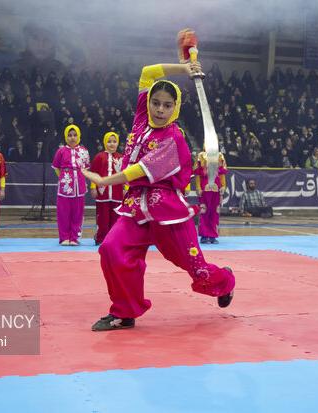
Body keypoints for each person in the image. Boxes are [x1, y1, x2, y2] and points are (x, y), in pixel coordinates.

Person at [81, 59, 235, 331]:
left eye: (167, 105)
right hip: (135, 209)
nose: (160, 109)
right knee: (111, 249)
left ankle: (225, 282)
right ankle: (124, 312)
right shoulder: (141, 118)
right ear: (148, 102)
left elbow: (138, 171)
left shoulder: (173, 139)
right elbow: (147, 73)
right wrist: (184, 69)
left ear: (176, 108)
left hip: (167, 212)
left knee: (196, 269)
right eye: (156, 102)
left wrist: (105, 180)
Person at [52, 124, 90, 246]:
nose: (72, 138)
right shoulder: (61, 151)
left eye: (74, 135)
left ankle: (74, 237)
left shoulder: (84, 151)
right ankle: (64, 237)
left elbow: (86, 169)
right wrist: (64, 178)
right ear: (65, 137)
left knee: (78, 213)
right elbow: (56, 168)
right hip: (65, 187)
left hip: (80, 187)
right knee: (63, 213)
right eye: (69, 135)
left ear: (78, 136)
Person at [89, 131, 123, 245]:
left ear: (117, 143)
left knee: (116, 219)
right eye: (109, 141)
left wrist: (126, 189)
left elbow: (125, 175)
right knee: (102, 219)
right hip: (102, 195)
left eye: (114, 142)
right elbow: (94, 173)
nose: (111, 144)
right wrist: (93, 187)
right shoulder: (99, 157)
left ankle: (113, 240)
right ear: (105, 142)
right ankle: (100, 238)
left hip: (117, 194)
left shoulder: (120, 158)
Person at [194, 151, 227, 244]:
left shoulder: (220, 155)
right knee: (204, 212)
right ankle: (204, 236)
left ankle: (213, 236)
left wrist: (223, 186)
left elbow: (222, 173)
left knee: (215, 212)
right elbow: (198, 174)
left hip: (216, 188)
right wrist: (198, 187)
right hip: (204, 188)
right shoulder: (201, 155)